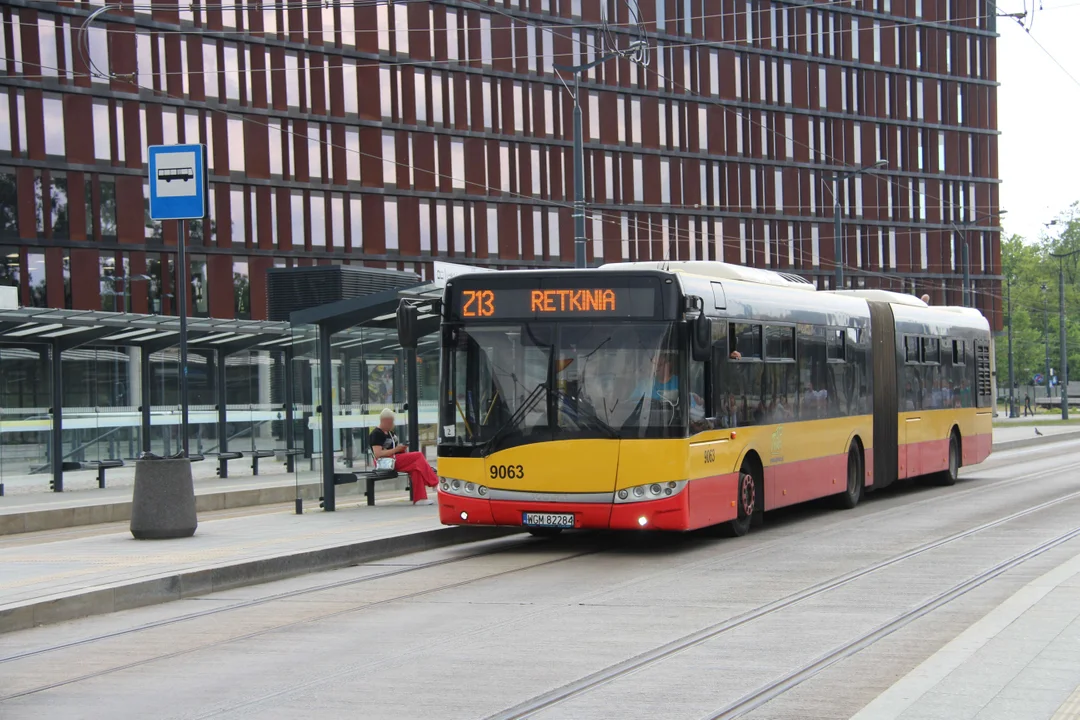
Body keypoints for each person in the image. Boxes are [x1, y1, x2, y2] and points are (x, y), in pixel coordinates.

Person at [369, 408, 439, 506]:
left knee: (416, 468)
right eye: (391, 422)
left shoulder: (390, 433)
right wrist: (396, 450)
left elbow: (394, 449)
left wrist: (401, 449)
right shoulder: (376, 434)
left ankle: (420, 499)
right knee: (418, 455)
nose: (392, 424)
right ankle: (435, 483)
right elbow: (378, 454)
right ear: (385, 421)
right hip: (385, 462)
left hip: (395, 459)